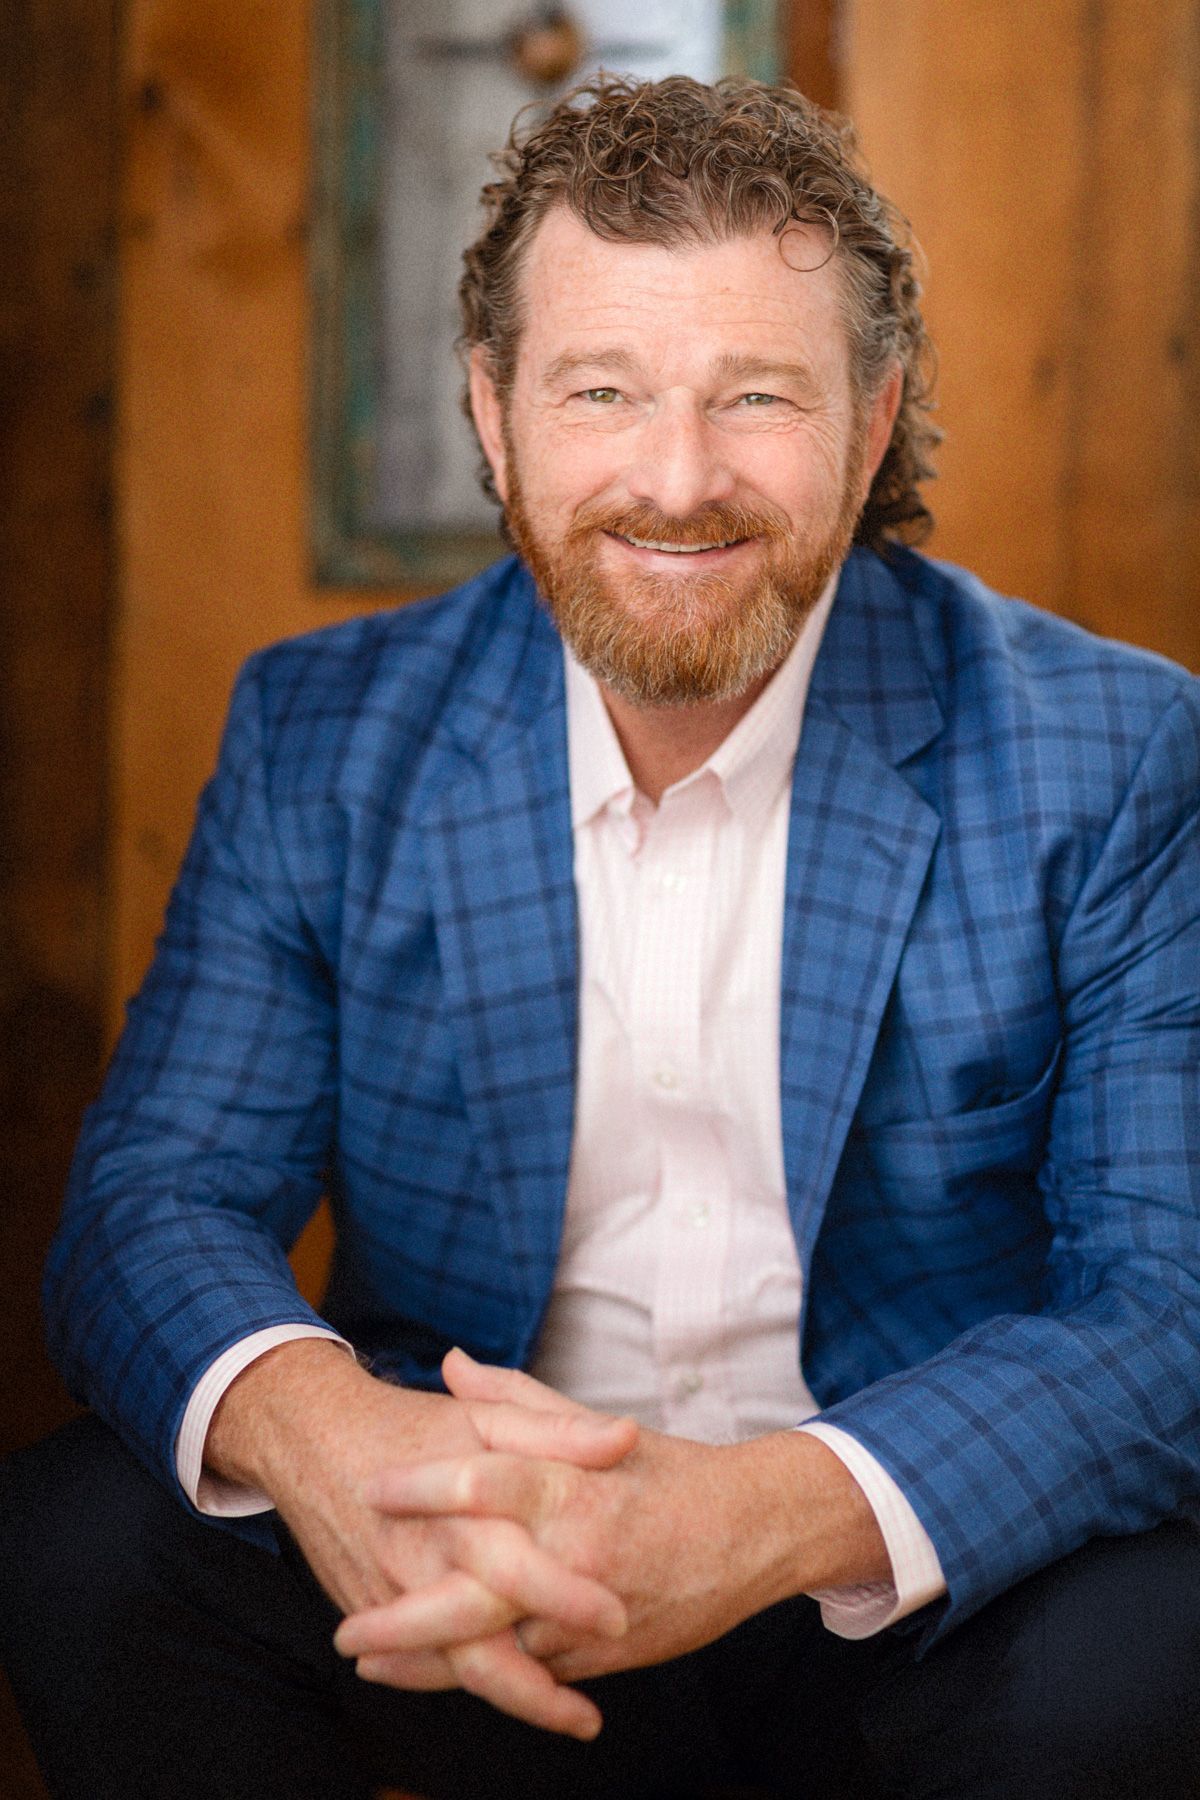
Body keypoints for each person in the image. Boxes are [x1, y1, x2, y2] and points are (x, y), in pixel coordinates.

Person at [3, 73, 1200, 1800]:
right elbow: (150, 1201)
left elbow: (1166, 1311)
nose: (677, 479)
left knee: (1152, 1641)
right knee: (80, 1541)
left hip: (891, 1586)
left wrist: (760, 1512)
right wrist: (335, 1441)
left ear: (871, 430)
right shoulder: (326, 737)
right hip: (465, 1554)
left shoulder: (1120, 753)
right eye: (600, 391)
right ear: (494, 419)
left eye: (760, 396)